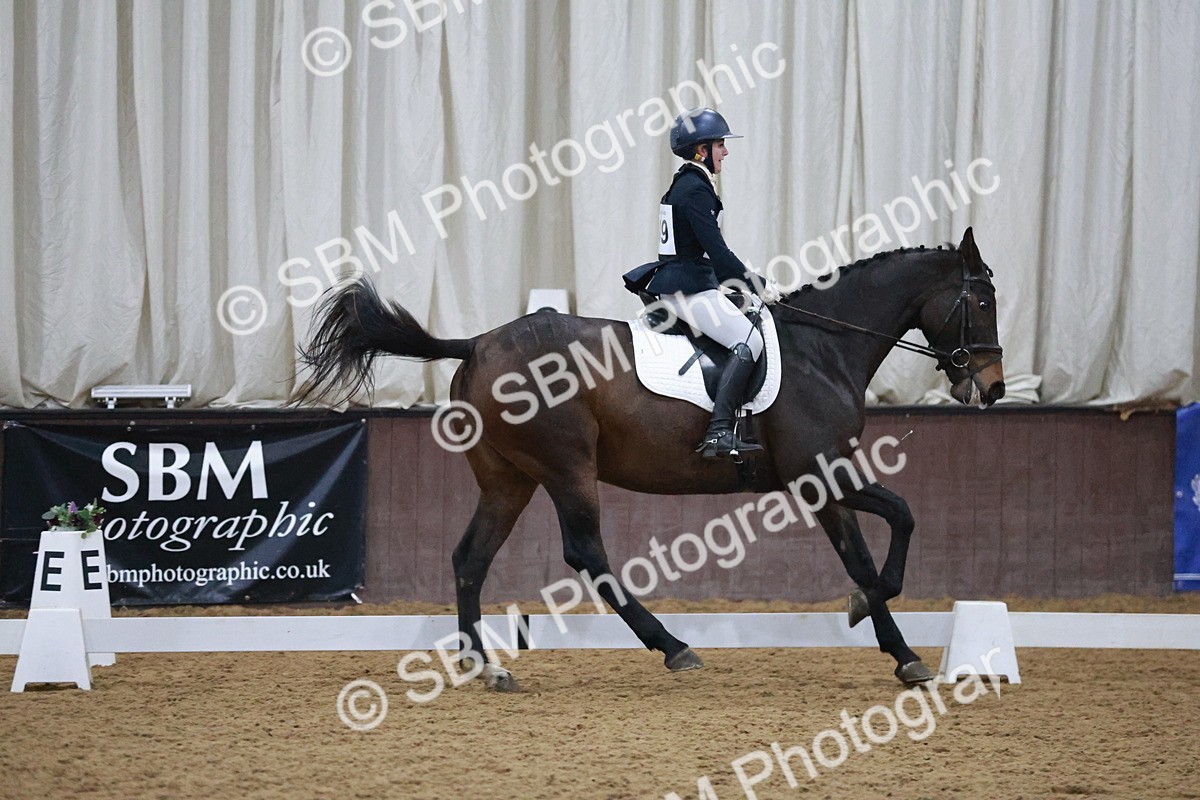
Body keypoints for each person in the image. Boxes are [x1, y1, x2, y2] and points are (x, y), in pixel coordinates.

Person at [623, 108, 780, 459]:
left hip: (689, 280)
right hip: (686, 288)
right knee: (748, 340)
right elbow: (718, 252)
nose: (725, 152)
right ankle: (719, 431)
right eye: (720, 144)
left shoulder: (688, 184)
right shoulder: (694, 189)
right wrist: (757, 284)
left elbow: (707, 256)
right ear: (701, 150)